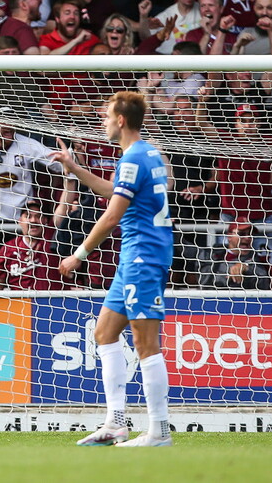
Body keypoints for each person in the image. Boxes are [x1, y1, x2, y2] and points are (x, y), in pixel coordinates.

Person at [51, 91, 174, 447]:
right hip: (133, 258)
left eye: (106, 117)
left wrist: (80, 254)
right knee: (104, 333)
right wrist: (74, 168)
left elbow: (113, 214)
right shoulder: (146, 151)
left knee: (145, 343)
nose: (103, 123)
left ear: (121, 120)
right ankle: (116, 423)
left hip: (144, 257)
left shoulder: (134, 156)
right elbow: (115, 191)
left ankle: (159, 432)